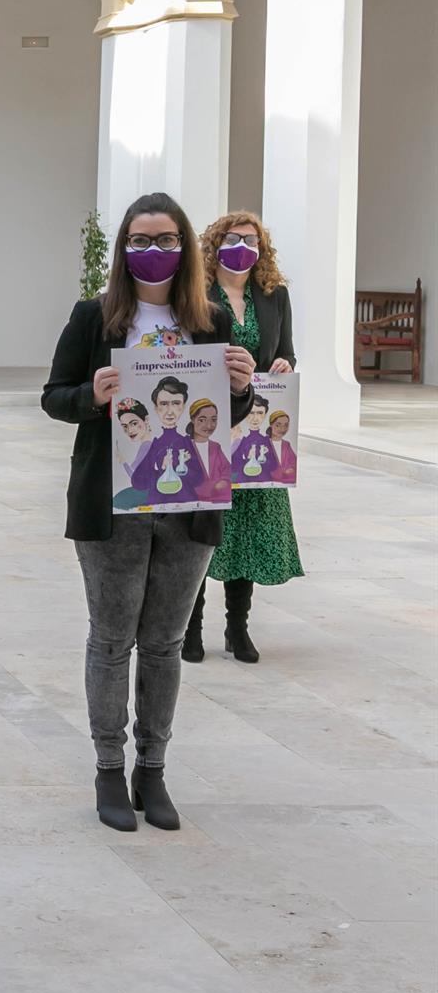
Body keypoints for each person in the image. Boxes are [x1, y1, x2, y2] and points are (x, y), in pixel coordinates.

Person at [43, 192, 253, 833]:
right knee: (111, 640)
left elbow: (225, 416)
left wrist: (241, 390)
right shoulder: (95, 318)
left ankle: (151, 770)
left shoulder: (212, 320)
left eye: (165, 241)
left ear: (186, 247)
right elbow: (54, 397)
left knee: (162, 642)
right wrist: (93, 393)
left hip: (190, 506)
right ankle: (109, 768)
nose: (152, 252)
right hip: (116, 505)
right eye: (140, 240)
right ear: (123, 249)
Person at [184, 211, 302, 665]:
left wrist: (285, 364)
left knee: (248, 530)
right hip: (210, 423)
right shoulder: (196, 293)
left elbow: (286, 350)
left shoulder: (274, 295)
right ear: (215, 244)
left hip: (255, 426)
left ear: (261, 248)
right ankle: (189, 627)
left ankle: (237, 627)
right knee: (200, 526)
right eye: (233, 238)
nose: (242, 247)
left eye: (251, 240)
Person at [186, 399, 232, 506]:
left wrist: (223, 481)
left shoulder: (215, 447)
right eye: (202, 420)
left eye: (213, 420)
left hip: (215, 501)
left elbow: (227, 468)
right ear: (193, 419)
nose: (209, 426)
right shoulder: (184, 447)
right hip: (193, 501)